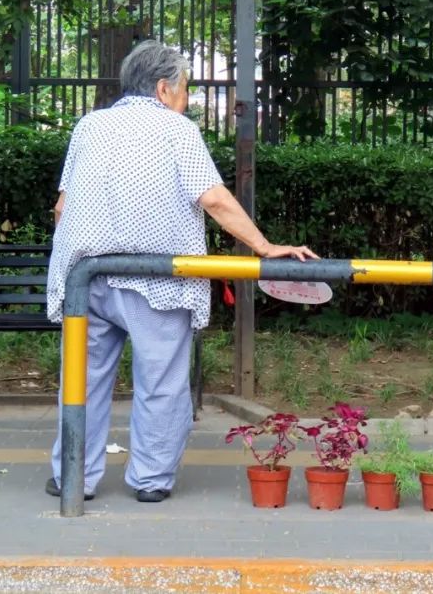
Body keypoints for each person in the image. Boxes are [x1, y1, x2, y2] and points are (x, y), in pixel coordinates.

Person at [46, 39, 317, 503]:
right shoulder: (176, 129)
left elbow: (61, 208)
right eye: (185, 89)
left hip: (85, 279)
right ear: (163, 88)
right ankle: (150, 479)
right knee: (162, 382)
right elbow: (213, 198)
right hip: (156, 278)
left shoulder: (89, 126)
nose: (186, 99)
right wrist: (264, 246)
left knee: (82, 380)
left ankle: (73, 475)